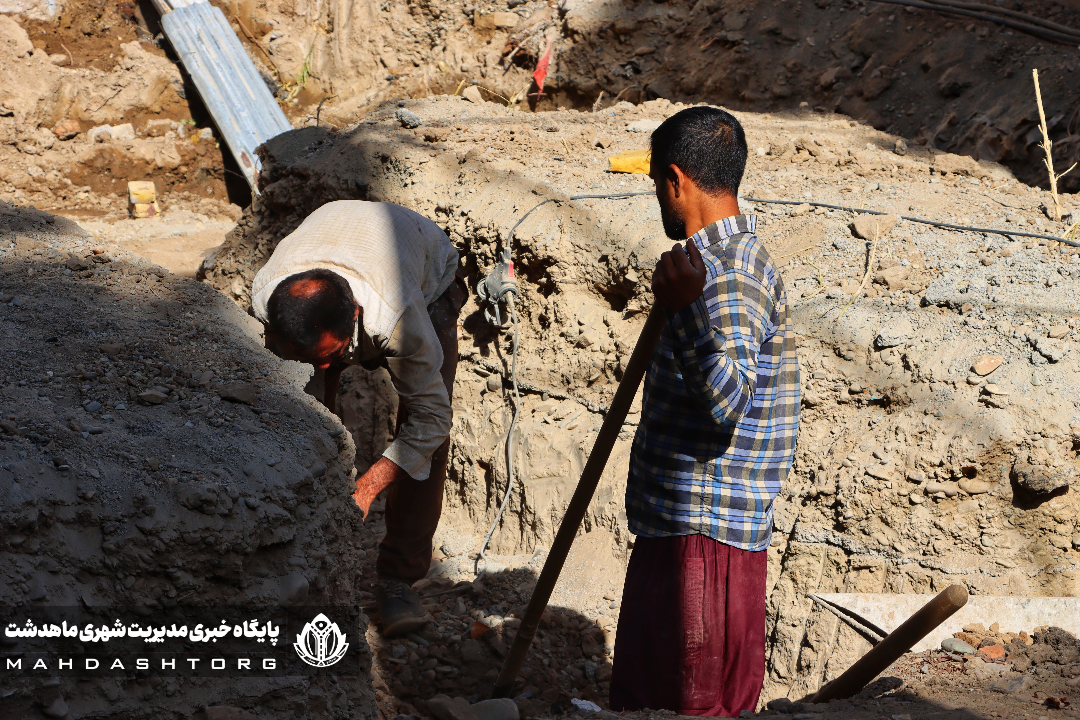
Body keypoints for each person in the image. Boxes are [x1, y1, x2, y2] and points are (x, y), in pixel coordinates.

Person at [609, 107, 800, 716]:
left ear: (674, 180)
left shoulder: (728, 271)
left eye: (654, 188)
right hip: (684, 523)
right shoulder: (706, 261)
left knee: (694, 708)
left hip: (706, 532)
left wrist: (687, 310)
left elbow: (727, 404)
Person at [250, 200, 467, 637]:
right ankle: (308, 555)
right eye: (312, 359)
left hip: (427, 270)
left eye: (333, 357)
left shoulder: (397, 316)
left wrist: (368, 487)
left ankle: (398, 579)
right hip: (336, 250)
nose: (329, 370)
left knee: (426, 438)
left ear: (353, 319)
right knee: (303, 418)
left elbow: (431, 420)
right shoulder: (265, 301)